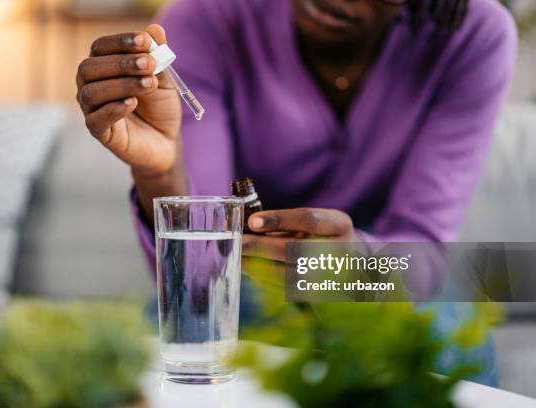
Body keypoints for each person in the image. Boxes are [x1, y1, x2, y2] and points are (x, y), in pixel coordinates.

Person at [75, 0, 517, 386]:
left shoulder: (473, 35)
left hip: (382, 287)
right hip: (246, 288)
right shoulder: (206, 17)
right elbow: (203, 272)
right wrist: (161, 171)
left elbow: (422, 253)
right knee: (176, 340)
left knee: (450, 328)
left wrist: (357, 269)